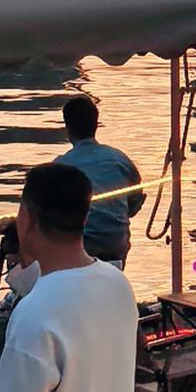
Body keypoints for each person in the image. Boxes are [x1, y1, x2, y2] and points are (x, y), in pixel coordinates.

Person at [0, 163, 138, 392]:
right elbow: (61, 287)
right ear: (85, 218)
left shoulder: (33, 316)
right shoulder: (118, 286)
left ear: (26, 217)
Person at [54, 94, 144, 268]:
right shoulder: (120, 160)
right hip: (116, 247)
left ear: (68, 129)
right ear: (96, 124)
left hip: (81, 249)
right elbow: (134, 203)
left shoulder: (60, 167)